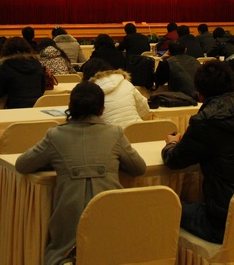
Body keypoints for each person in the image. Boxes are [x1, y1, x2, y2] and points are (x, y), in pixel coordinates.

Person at [15, 81, 146, 265]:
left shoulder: (55, 136)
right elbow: (139, 168)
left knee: (62, 251)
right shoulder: (115, 133)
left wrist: (52, 162)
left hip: (69, 215)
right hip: (110, 214)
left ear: (70, 107)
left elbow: (22, 165)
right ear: (102, 110)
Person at [162, 60, 234, 243]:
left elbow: (174, 160)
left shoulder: (205, 122)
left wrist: (171, 144)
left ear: (200, 96)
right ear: (233, 87)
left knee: (164, 207)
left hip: (222, 223)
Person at [82, 58, 150, 127]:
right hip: (137, 129)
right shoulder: (126, 83)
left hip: (109, 132)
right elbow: (145, 109)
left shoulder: (90, 92)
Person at [0, 37, 47, 109]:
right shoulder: (37, 64)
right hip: (37, 107)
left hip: (15, 108)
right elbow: (42, 88)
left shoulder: (7, 65)